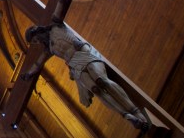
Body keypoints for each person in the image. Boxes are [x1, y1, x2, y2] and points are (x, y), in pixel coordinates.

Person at [22, 23, 150, 131]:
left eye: (35, 39)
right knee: (95, 89)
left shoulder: (56, 25)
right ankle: (126, 116)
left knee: (102, 81)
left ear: (37, 32)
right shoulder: (49, 48)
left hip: (82, 53)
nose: (38, 42)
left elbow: (61, 1)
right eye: (35, 42)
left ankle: (135, 111)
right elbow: (38, 63)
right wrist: (28, 74)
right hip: (75, 65)